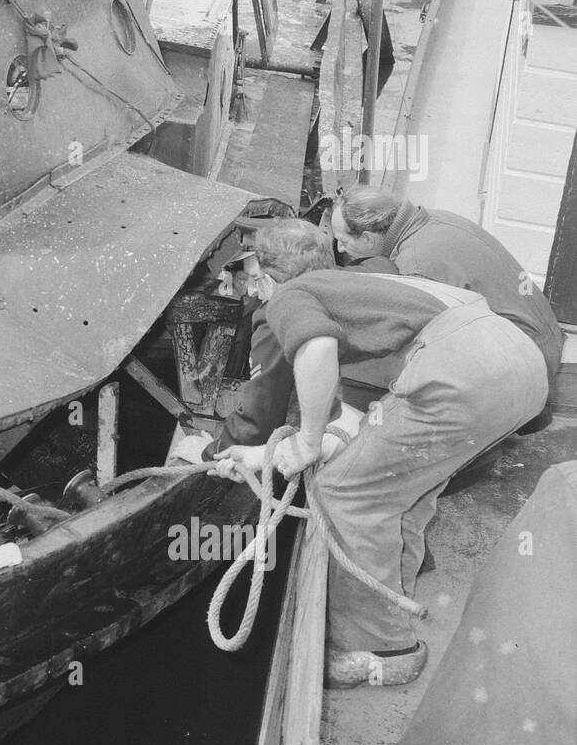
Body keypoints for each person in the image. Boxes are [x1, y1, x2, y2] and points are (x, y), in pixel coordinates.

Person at [216, 220, 548, 688]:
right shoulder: (363, 286)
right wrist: (262, 456)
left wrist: (307, 441)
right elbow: (358, 426)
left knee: (346, 493)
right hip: (520, 371)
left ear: (267, 278)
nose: (257, 292)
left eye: (255, 282)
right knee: (401, 492)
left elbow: (314, 348)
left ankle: (379, 649)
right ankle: (391, 604)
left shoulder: (292, 295)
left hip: (462, 372)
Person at [331, 187, 563, 418]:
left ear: (368, 239)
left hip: (525, 368)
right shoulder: (435, 219)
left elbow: (419, 343)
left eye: (342, 240)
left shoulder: (416, 265)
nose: (340, 248)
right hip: (544, 345)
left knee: (356, 358)